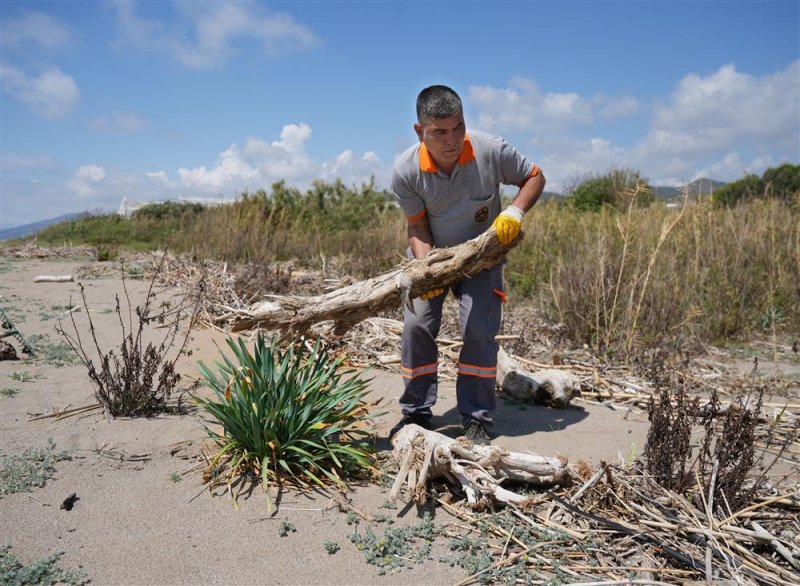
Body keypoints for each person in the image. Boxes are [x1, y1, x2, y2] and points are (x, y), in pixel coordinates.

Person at [390, 85, 545, 444]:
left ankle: (476, 419)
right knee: (416, 327)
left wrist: (515, 212)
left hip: (482, 259)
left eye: (458, 127)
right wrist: (427, 270)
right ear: (420, 131)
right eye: (439, 132)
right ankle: (415, 414)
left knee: (478, 329)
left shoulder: (490, 150)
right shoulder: (406, 170)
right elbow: (417, 227)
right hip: (432, 255)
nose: (452, 140)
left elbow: (535, 176)